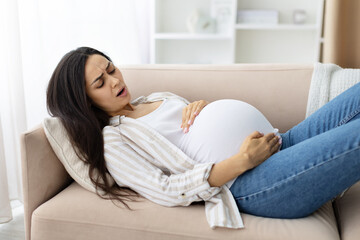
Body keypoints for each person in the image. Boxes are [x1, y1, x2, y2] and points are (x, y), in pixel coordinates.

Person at [46, 46, 360, 229]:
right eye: (101, 82)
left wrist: (201, 109)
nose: (114, 81)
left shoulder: (152, 98)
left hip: (279, 144)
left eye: (112, 69)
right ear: (85, 101)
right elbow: (166, 189)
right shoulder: (113, 140)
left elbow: (191, 136)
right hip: (255, 184)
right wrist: (243, 160)